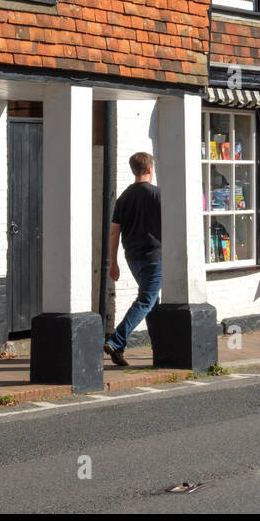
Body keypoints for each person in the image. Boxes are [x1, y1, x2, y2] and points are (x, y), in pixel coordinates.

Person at [105, 152, 162, 367]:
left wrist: (113, 262)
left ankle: (157, 348)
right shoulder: (158, 195)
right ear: (149, 169)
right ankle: (115, 340)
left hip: (132, 257)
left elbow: (114, 232)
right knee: (147, 300)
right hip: (154, 256)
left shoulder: (124, 197)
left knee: (152, 303)